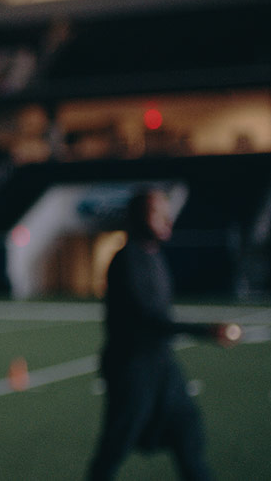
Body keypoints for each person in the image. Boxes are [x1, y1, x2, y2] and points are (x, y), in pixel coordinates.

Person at [87, 189, 240, 481]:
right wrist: (205, 330)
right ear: (137, 217)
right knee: (114, 450)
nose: (167, 219)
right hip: (132, 369)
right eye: (158, 213)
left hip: (161, 366)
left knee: (187, 431)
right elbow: (150, 319)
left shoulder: (153, 255)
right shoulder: (127, 260)